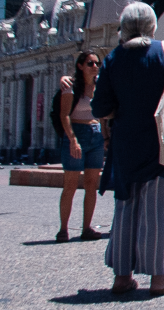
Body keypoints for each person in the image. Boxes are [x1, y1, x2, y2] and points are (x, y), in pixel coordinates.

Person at [91, 2, 164, 297]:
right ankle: (158, 278)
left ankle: (122, 276)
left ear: (123, 28)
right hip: (160, 142)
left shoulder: (113, 58)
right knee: (156, 210)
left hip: (125, 144)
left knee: (124, 206)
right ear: (152, 26)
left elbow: (100, 106)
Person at [55, 50, 105, 243]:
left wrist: (105, 137)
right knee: (70, 185)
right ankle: (63, 229)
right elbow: (64, 115)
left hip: (96, 135)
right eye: (90, 63)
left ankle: (86, 228)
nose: (95, 67)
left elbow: (102, 112)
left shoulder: (100, 85)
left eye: (97, 63)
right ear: (80, 66)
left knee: (91, 185)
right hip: (76, 134)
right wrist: (73, 139)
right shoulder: (71, 87)